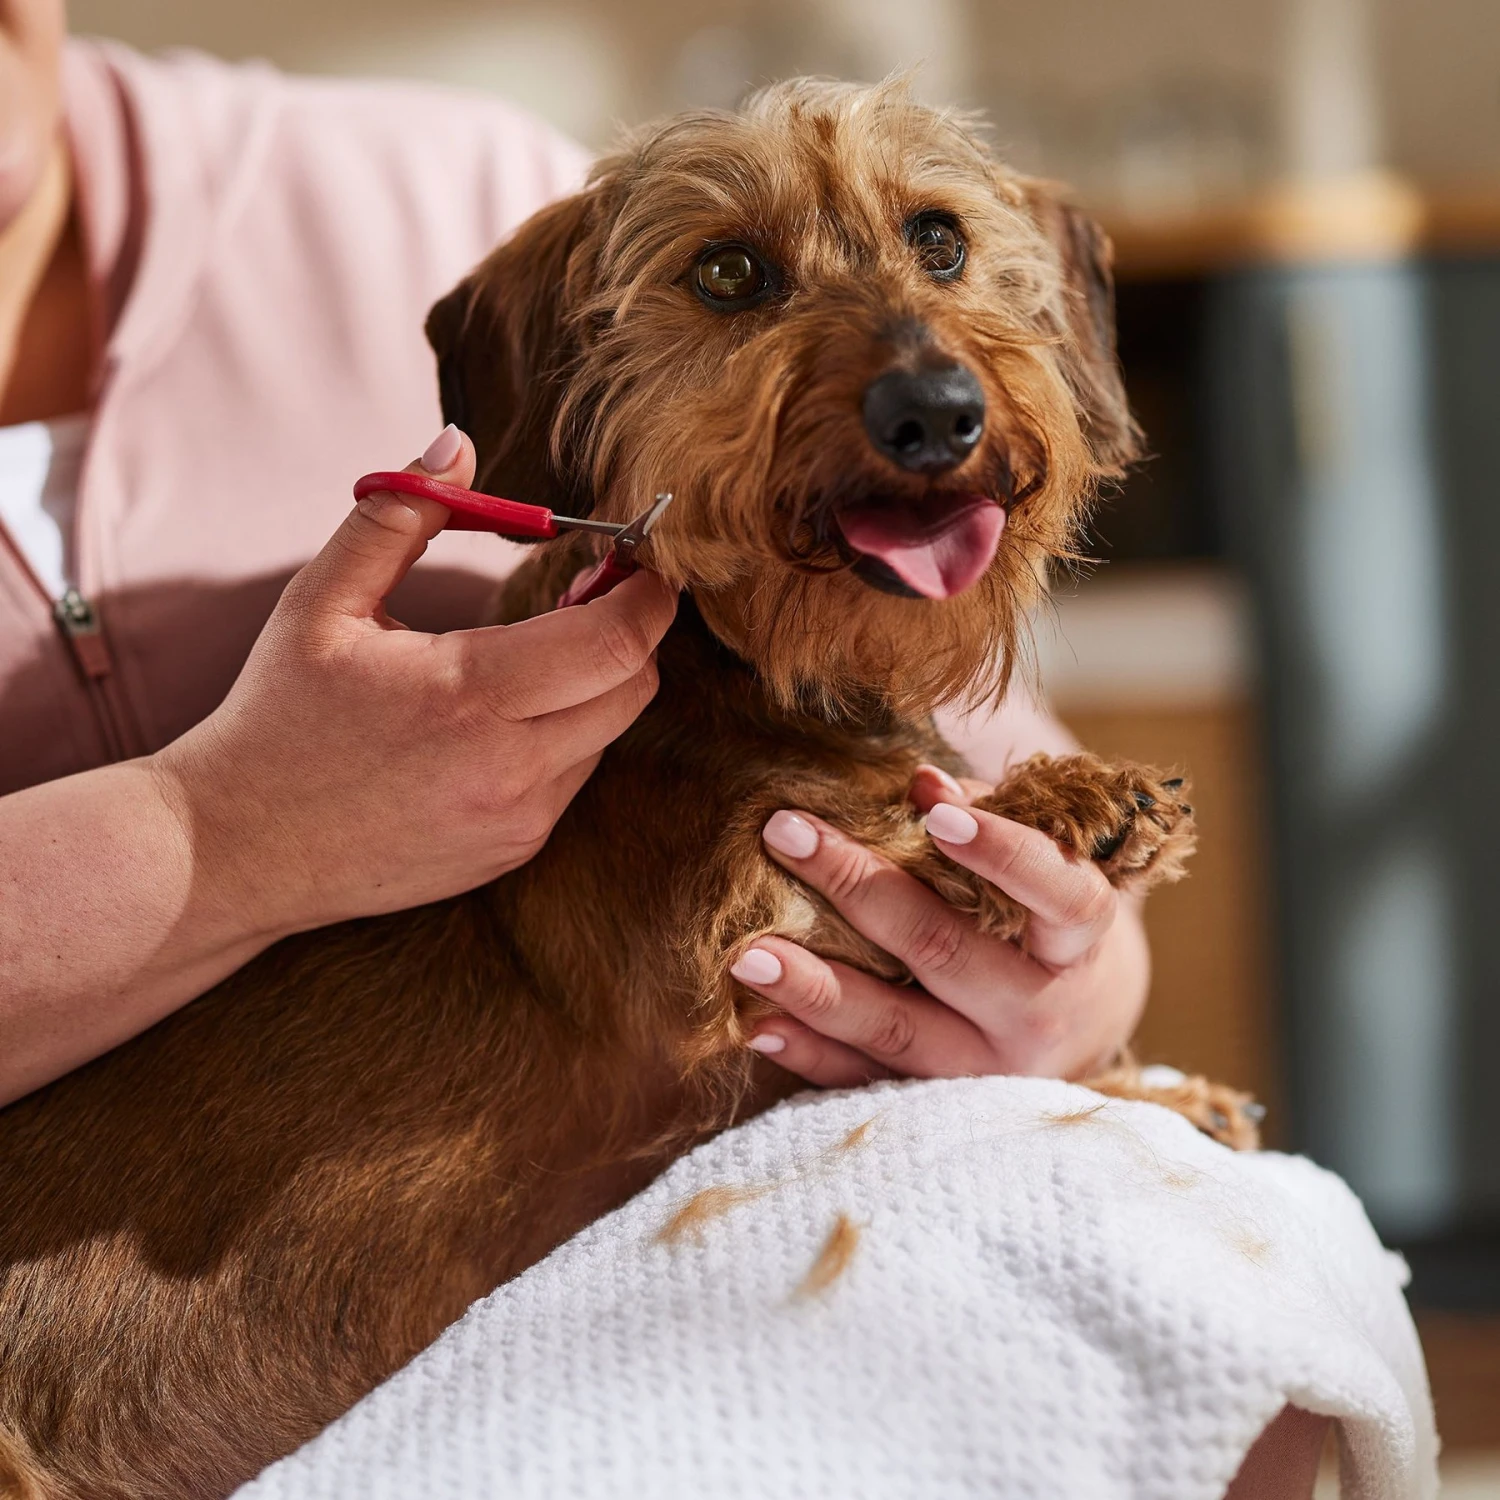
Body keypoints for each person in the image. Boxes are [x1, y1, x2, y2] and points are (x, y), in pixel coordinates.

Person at [0, 0, 1149, 1109]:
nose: (924, 393)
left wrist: (1075, 990)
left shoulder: (451, 182)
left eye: (937, 241)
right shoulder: (567, 259)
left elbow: (1019, 784)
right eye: (732, 278)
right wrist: (229, 835)